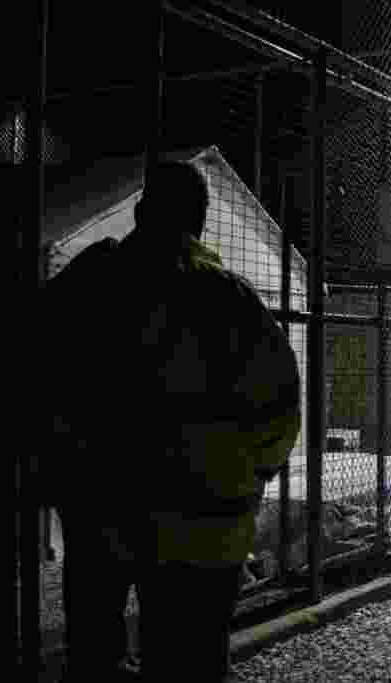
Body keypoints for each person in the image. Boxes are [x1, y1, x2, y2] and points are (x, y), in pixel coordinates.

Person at [43, 160, 301, 683]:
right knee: (190, 659)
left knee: (94, 654)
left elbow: (36, 373)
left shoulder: (87, 284)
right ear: (202, 221)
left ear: (140, 212)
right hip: (202, 524)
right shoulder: (230, 300)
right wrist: (251, 478)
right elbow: (279, 411)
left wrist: (57, 466)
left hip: (99, 515)